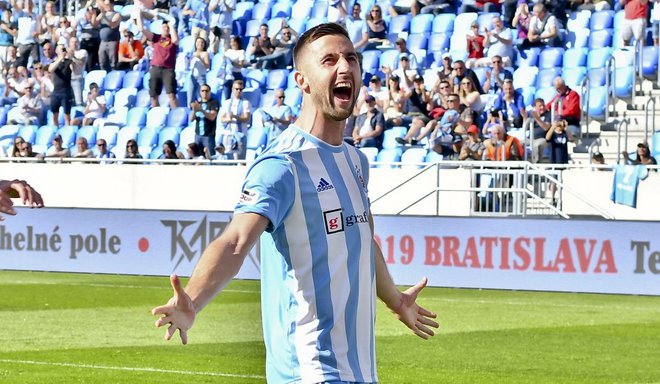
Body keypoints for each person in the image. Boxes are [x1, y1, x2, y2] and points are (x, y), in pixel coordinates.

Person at [151, 23, 438, 384]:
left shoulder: (354, 161)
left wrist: (395, 299)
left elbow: (362, 240)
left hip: (361, 372)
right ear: (302, 81)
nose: (345, 67)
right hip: (310, 371)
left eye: (351, 58)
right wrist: (193, 299)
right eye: (329, 60)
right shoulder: (282, 165)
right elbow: (235, 242)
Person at [138, 15, 179, 109]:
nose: (166, 29)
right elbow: (142, 29)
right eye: (164, 27)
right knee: (153, 95)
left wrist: (171, 25)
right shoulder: (156, 38)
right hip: (155, 68)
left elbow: (175, 40)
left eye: (167, 27)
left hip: (168, 70)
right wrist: (139, 13)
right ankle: (156, 113)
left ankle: (176, 113)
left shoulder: (172, 40)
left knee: (171, 95)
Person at [219, 79, 251, 160]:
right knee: (228, 158)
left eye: (240, 89)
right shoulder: (227, 103)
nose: (238, 91)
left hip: (240, 134)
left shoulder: (245, 103)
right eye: (236, 89)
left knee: (240, 159)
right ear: (232, 89)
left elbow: (246, 118)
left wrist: (234, 116)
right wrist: (228, 118)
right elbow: (222, 118)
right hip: (229, 134)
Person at [189, 83, 219, 156]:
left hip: (208, 135)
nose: (204, 93)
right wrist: (194, 110)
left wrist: (201, 110)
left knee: (209, 156)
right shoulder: (198, 103)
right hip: (198, 134)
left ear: (209, 92)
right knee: (197, 156)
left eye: (206, 91)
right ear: (200, 92)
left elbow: (212, 117)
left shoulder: (214, 103)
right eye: (202, 91)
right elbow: (191, 119)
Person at [49, 43, 75, 126]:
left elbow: (74, 69)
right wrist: (60, 58)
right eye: (60, 50)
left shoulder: (69, 62)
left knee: (67, 114)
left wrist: (70, 56)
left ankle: (68, 128)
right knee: (54, 114)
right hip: (56, 91)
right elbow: (51, 69)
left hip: (66, 91)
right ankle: (56, 129)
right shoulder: (54, 62)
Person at [93, 0, 122, 72]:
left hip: (113, 41)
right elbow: (94, 24)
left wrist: (104, 17)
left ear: (112, 4)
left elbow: (113, 25)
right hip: (103, 41)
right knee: (102, 60)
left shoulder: (117, 14)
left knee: (113, 60)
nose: (106, 6)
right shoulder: (102, 14)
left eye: (107, 4)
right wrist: (94, 14)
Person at [187, 37, 211, 107]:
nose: (200, 44)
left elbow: (207, 66)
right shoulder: (192, 53)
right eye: (198, 42)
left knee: (202, 96)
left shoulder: (205, 53)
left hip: (201, 76)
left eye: (202, 42)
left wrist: (200, 58)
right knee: (190, 96)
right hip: (192, 76)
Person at [530, 98, 552, 163]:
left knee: (537, 145)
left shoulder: (548, 114)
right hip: (530, 138)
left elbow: (546, 127)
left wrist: (537, 118)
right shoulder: (531, 115)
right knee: (518, 143)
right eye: (540, 106)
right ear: (535, 107)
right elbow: (526, 127)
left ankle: (535, 165)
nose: (542, 107)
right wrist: (525, 117)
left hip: (542, 138)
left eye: (543, 105)